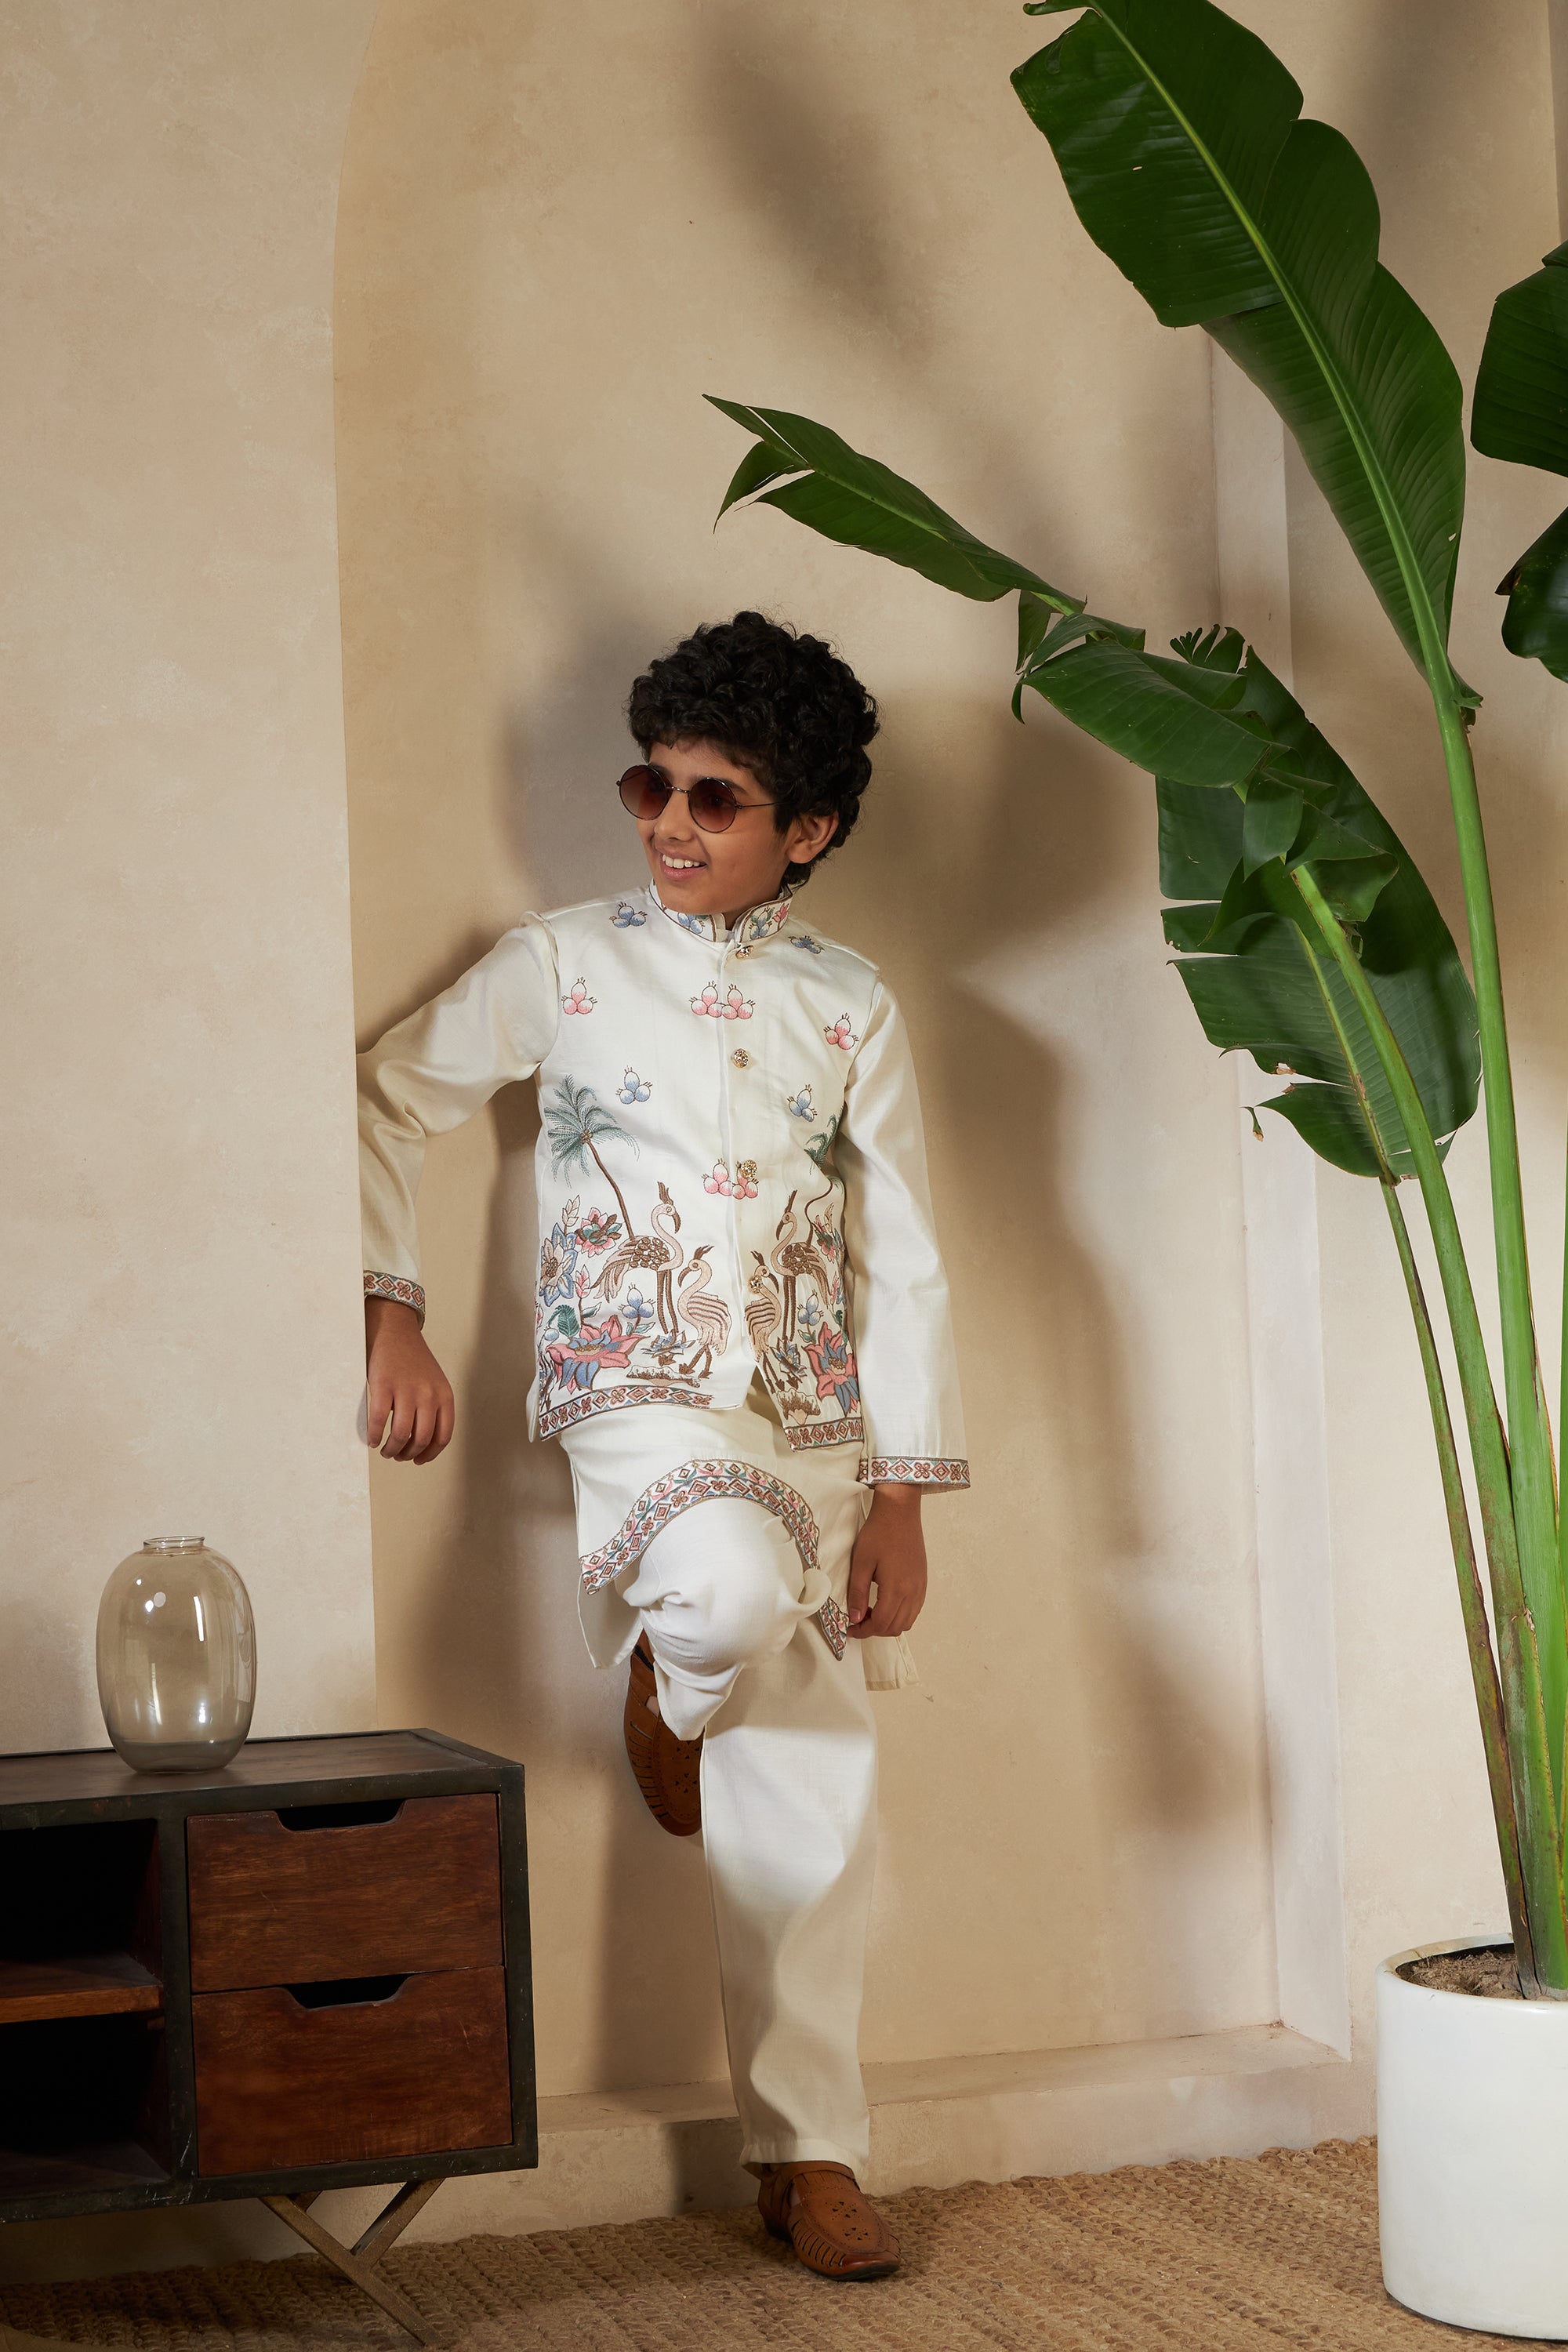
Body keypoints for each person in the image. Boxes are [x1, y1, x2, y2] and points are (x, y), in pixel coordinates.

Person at [357, 611, 967, 2281]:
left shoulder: (851, 1006)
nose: (668, 825)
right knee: (723, 1598)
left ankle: (811, 2156)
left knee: (813, 1795)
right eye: (652, 785)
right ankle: (669, 1681)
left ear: (807, 829)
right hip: (637, 1390)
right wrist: (389, 1309)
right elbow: (388, 1096)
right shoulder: (562, 964)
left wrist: (905, 1494)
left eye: (714, 798)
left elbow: (905, 1253)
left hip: (816, 1414)